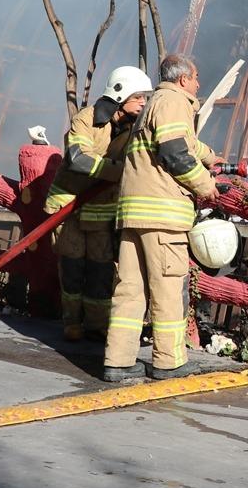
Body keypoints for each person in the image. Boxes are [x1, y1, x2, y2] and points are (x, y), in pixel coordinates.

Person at [103, 54, 221, 382]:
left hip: (134, 214)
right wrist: (205, 185)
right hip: (162, 216)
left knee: (130, 290)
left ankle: (118, 361)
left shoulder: (156, 103)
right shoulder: (175, 102)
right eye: (196, 77)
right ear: (183, 79)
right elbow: (174, 153)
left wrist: (211, 157)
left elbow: (183, 143)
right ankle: (169, 361)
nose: (199, 84)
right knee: (169, 289)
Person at [44, 66, 154, 342]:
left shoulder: (134, 130)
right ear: (120, 95)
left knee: (100, 271)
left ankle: (97, 325)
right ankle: (72, 323)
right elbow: (78, 159)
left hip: (100, 212)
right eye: (139, 97)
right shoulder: (87, 119)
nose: (143, 103)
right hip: (68, 208)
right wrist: (119, 171)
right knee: (72, 269)